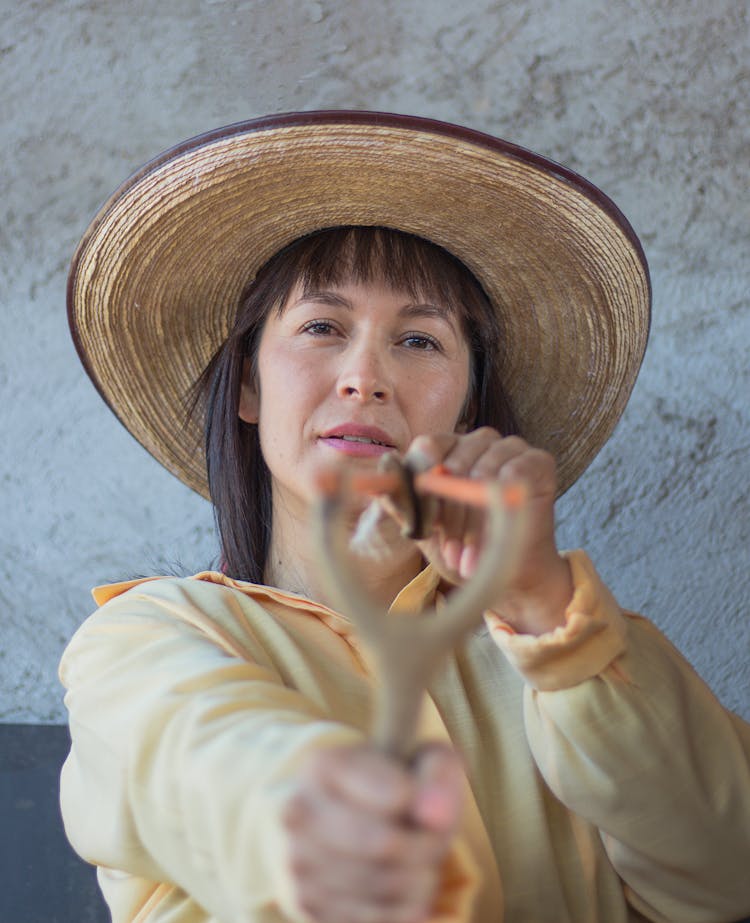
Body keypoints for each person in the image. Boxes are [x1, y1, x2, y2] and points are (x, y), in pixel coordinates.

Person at [60, 112, 750, 923]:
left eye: (419, 341)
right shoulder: (147, 642)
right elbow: (282, 814)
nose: (365, 377)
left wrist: (545, 613)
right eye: (322, 327)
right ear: (246, 388)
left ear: (466, 408)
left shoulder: (591, 652)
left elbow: (724, 875)